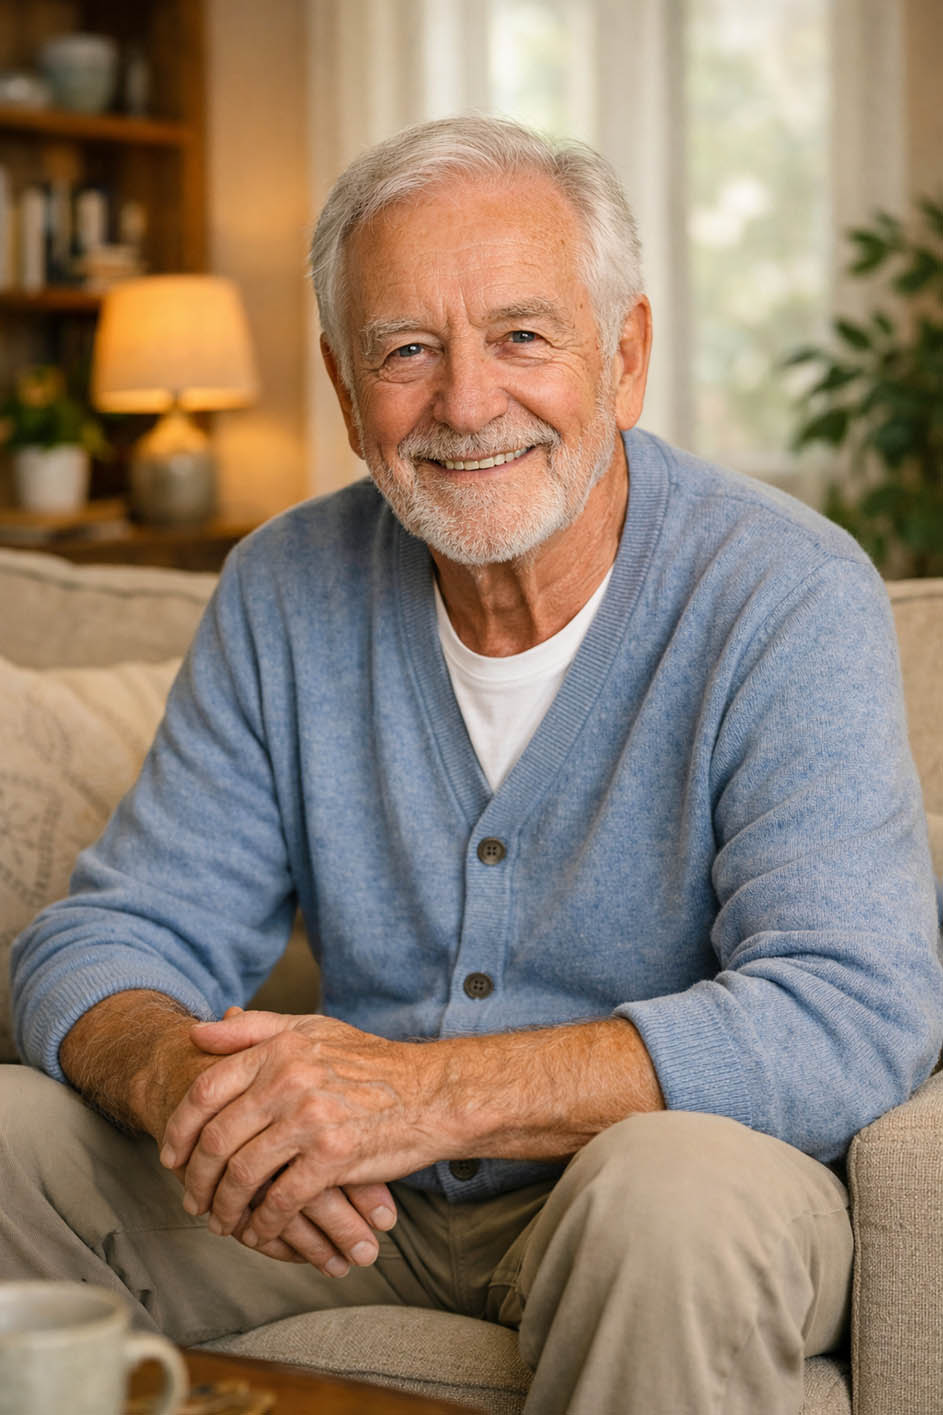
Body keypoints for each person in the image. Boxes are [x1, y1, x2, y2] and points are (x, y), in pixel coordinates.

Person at [5, 115, 942, 1415]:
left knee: (666, 1197)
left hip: (652, 1187)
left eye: (520, 336)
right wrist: (207, 1097)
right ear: (344, 390)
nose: (464, 403)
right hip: (345, 1206)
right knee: (11, 1140)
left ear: (625, 358)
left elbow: (855, 1010)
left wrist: (427, 1097)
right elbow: (102, 942)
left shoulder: (784, 594)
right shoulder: (285, 591)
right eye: (407, 351)